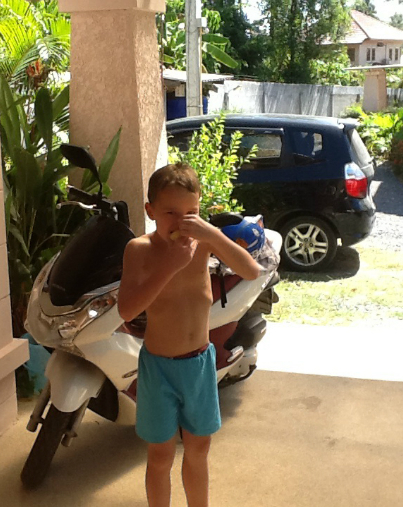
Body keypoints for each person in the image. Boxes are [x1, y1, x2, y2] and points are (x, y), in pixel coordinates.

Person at [118, 162, 264, 507]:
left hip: (198, 364)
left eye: (192, 213)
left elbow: (251, 270)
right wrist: (169, 265)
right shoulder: (139, 249)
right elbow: (126, 310)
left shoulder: (203, 244)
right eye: (171, 212)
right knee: (160, 454)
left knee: (199, 448)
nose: (182, 222)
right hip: (158, 368)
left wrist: (211, 234)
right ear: (150, 210)